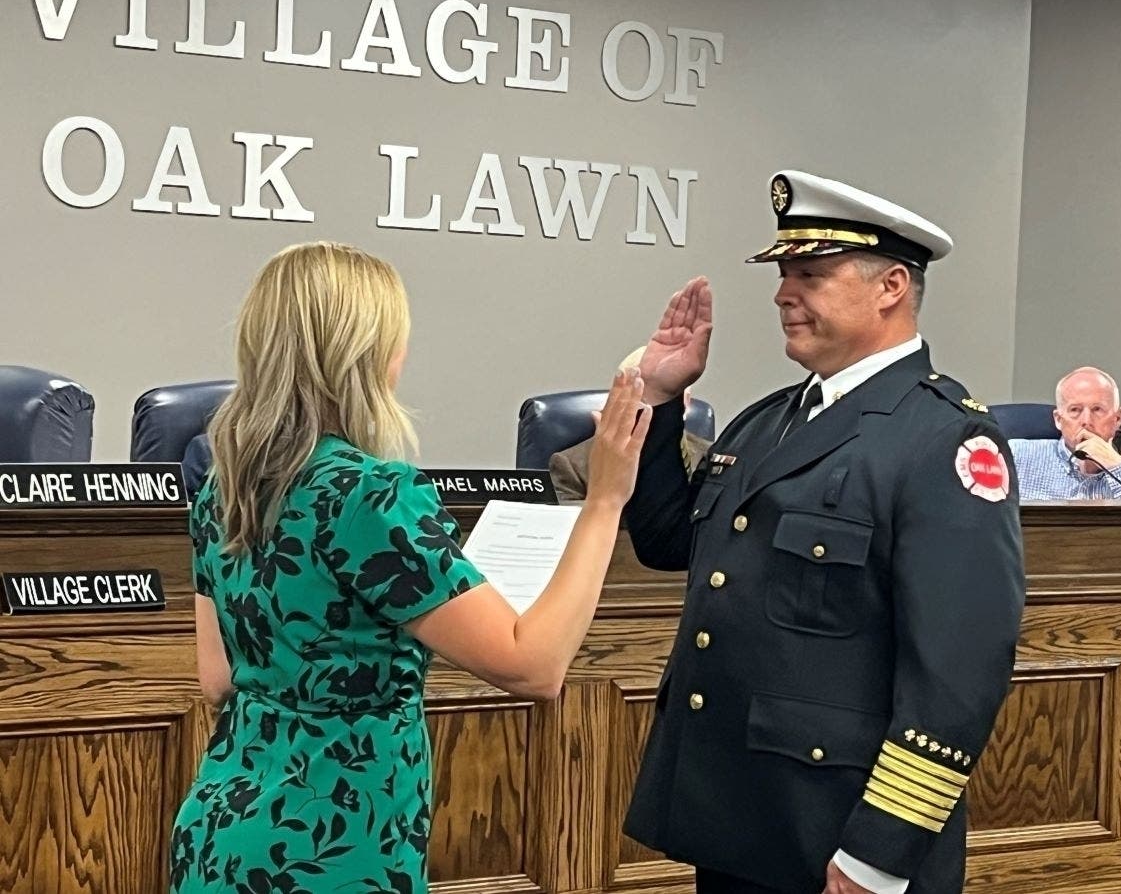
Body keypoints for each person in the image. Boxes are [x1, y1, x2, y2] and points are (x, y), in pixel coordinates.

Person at [168, 241, 650, 893]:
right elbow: (533, 667)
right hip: (334, 841)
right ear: (366, 356)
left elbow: (218, 678)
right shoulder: (371, 496)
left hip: (220, 831)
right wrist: (605, 500)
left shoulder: (222, 490)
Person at [620, 170, 1025, 894]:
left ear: (891, 286)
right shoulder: (768, 419)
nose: (783, 293)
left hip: (842, 837)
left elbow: (957, 678)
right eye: (783, 274)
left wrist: (881, 850)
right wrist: (661, 393)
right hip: (740, 816)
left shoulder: (946, 441)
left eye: (810, 273)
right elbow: (664, 541)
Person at [549, 347, 712, 501]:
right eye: (641, 397)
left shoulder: (711, 459)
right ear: (618, 400)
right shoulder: (572, 467)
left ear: (686, 402)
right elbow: (578, 529)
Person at [1010, 366, 1121, 500]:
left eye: (1097, 409)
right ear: (1058, 420)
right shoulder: (1015, 456)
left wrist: (1114, 463)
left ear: (1117, 419)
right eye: (1075, 410)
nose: (1086, 421)